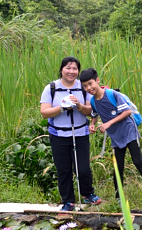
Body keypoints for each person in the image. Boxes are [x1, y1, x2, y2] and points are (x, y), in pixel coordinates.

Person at [79, 68, 142, 208]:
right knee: (118, 167)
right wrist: (92, 124)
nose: (89, 88)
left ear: (97, 80)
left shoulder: (112, 94)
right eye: (85, 86)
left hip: (128, 130)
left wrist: (108, 123)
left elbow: (127, 111)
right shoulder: (93, 101)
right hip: (115, 135)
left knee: (138, 161)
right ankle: (119, 197)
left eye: (90, 83)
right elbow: (94, 114)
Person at [39, 56, 101, 212]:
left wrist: (79, 105)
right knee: (64, 169)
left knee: (83, 168)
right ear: (61, 69)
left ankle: (87, 194)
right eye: (68, 68)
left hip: (80, 133)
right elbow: (44, 113)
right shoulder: (51, 88)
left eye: (75, 68)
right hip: (58, 135)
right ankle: (68, 201)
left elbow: (91, 111)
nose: (71, 71)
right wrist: (61, 107)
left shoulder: (83, 87)